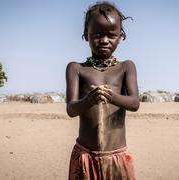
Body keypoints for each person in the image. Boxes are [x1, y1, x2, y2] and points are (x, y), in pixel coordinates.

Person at [66, 2, 139, 179]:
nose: (104, 40)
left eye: (111, 35)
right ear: (86, 35)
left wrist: (112, 96)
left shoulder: (126, 67)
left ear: (120, 36)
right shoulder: (76, 69)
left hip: (117, 157)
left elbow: (135, 103)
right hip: (85, 155)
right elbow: (71, 109)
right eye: (97, 34)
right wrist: (88, 100)